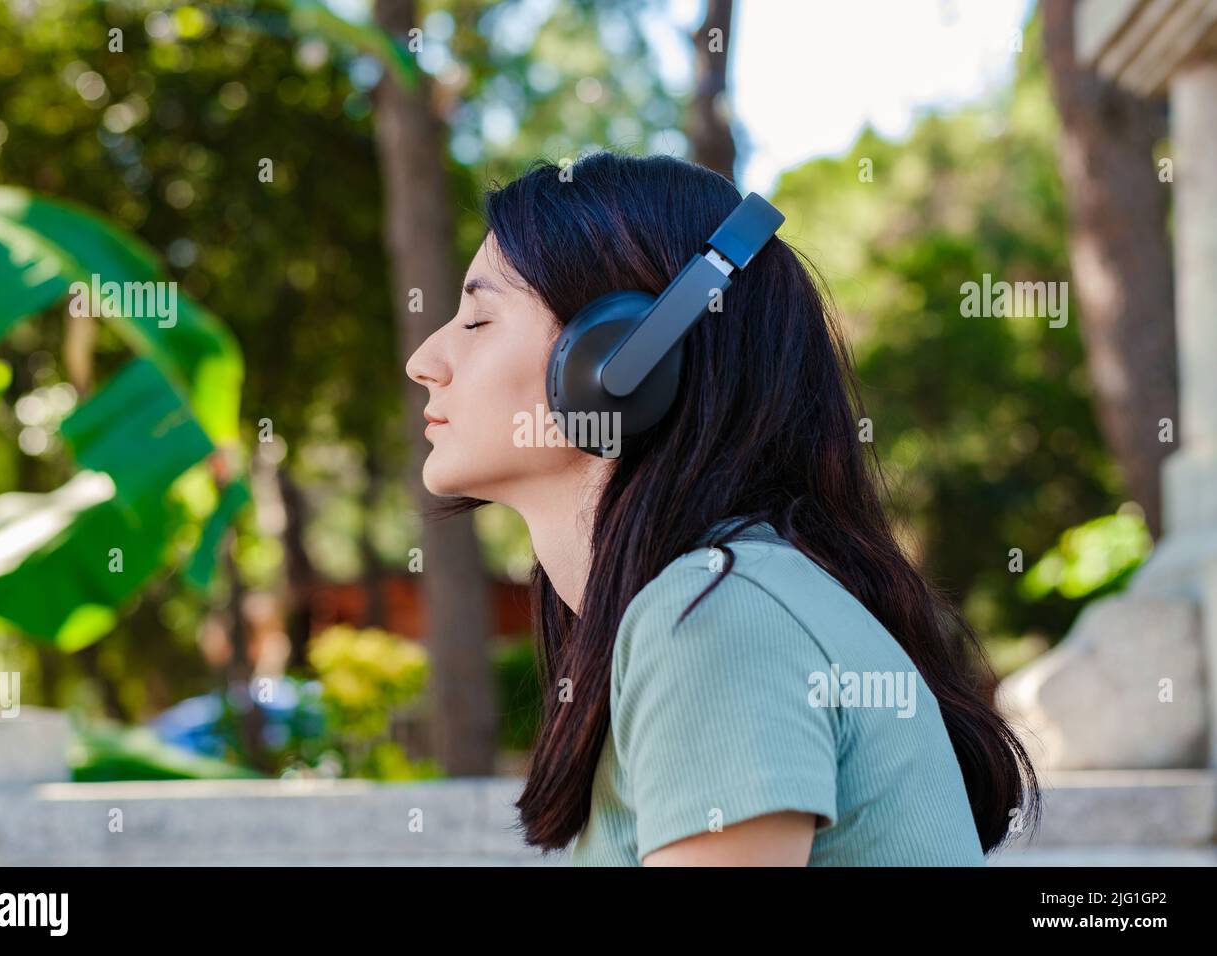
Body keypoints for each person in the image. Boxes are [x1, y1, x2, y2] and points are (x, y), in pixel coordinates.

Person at [405, 150, 1039, 866]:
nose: (424, 359)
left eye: (477, 321)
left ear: (619, 364)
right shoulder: (719, 600)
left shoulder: (716, 619)